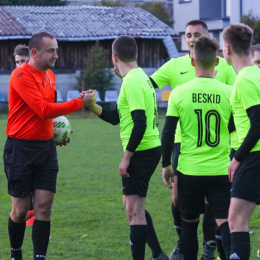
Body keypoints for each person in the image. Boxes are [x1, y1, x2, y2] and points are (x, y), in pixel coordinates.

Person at [150, 20, 236, 260]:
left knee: (188, 224)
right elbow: (232, 127)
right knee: (226, 223)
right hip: (219, 169)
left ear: (192, 60)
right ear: (217, 62)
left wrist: (166, 164)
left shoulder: (178, 92)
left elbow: (168, 132)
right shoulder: (229, 92)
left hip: (188, 169)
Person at [4, 31, 95, 260]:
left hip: (45, 150)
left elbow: (49, 116)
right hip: (20, 150)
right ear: (35, 53)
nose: (56, 54)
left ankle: (39, 257)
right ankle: (16, 254)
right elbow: (42, 109)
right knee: (20, 211)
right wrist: (79, 103)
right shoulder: (21, 75)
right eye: (51, 50)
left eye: (56, 49)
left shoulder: (51, 76)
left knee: (44, 207)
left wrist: (58, 134)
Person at [86, 35, 169, 260]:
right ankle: (159, 254)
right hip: (149, 148)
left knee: (134, 211)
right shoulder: (139, 77)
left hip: (142, 151)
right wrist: (93, 106)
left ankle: (149, 256)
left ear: (114, 57)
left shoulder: (132, 82)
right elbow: (116, 118)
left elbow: (140, 123)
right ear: (136, 54)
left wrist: (126, 157)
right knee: (132, 206)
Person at [223, 23, 260, 260]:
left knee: (236, 220)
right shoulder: (256, 74)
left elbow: (257, 123)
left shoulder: (245, 80)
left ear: (226, 49)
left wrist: (237, 158)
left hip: (252, 155)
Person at [13, 44, 36, 226]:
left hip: (41, 143)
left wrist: (59, 131)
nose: (20, 65)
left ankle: (34, 214)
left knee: (39, 185)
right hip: (20, 143)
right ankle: (26, 214)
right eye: (17, 62)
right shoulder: (17, 80)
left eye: (23, 61)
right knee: (24, 186)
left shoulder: (44, 79)